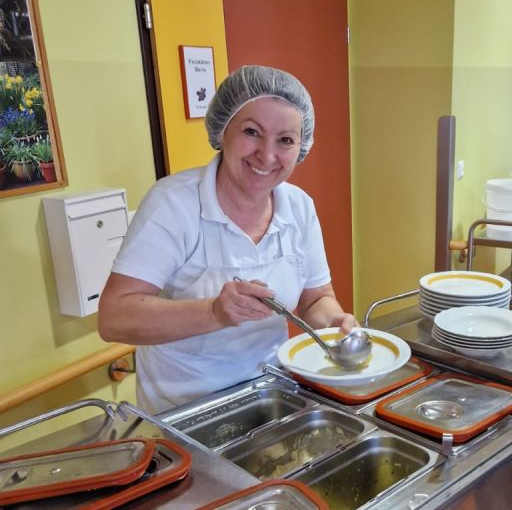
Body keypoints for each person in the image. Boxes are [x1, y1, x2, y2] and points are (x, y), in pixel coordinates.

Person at [99, 66, 356, 414]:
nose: (267, 155)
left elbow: (316, 299)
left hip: (273, 396)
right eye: (252, 132)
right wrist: (214, 312)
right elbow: (114, 317)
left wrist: (333, 324)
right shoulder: (173, 204)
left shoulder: (299, 207)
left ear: (301, 146)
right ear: (223, 132)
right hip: (184, 413)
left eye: (285, 140)